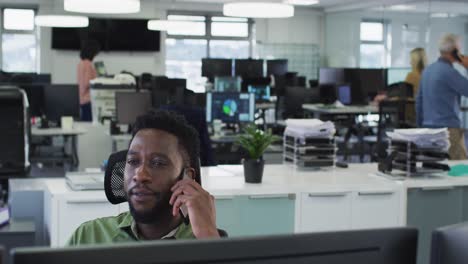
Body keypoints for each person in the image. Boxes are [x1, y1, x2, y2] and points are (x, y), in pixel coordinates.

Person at [67, 110, 220, 245]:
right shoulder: (89, 237)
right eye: (133, 161)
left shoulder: (205, 241)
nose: (139, 175)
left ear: (186, 177)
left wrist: (208, 238)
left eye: (158, 163)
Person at [416, 33, 468, 160]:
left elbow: (419, 102)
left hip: (428, 129)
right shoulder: (450, 72)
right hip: (448, 131)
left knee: (432, 170)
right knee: (461, 171)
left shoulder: (427, 71)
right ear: (455, 51)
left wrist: (421, 127)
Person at [77, 40, 100, 122]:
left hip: (82, 99)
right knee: (88, 125)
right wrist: (97, 81)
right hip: (88, 100)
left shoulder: (81, 63)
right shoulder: (88, 64)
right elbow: (87, 83)